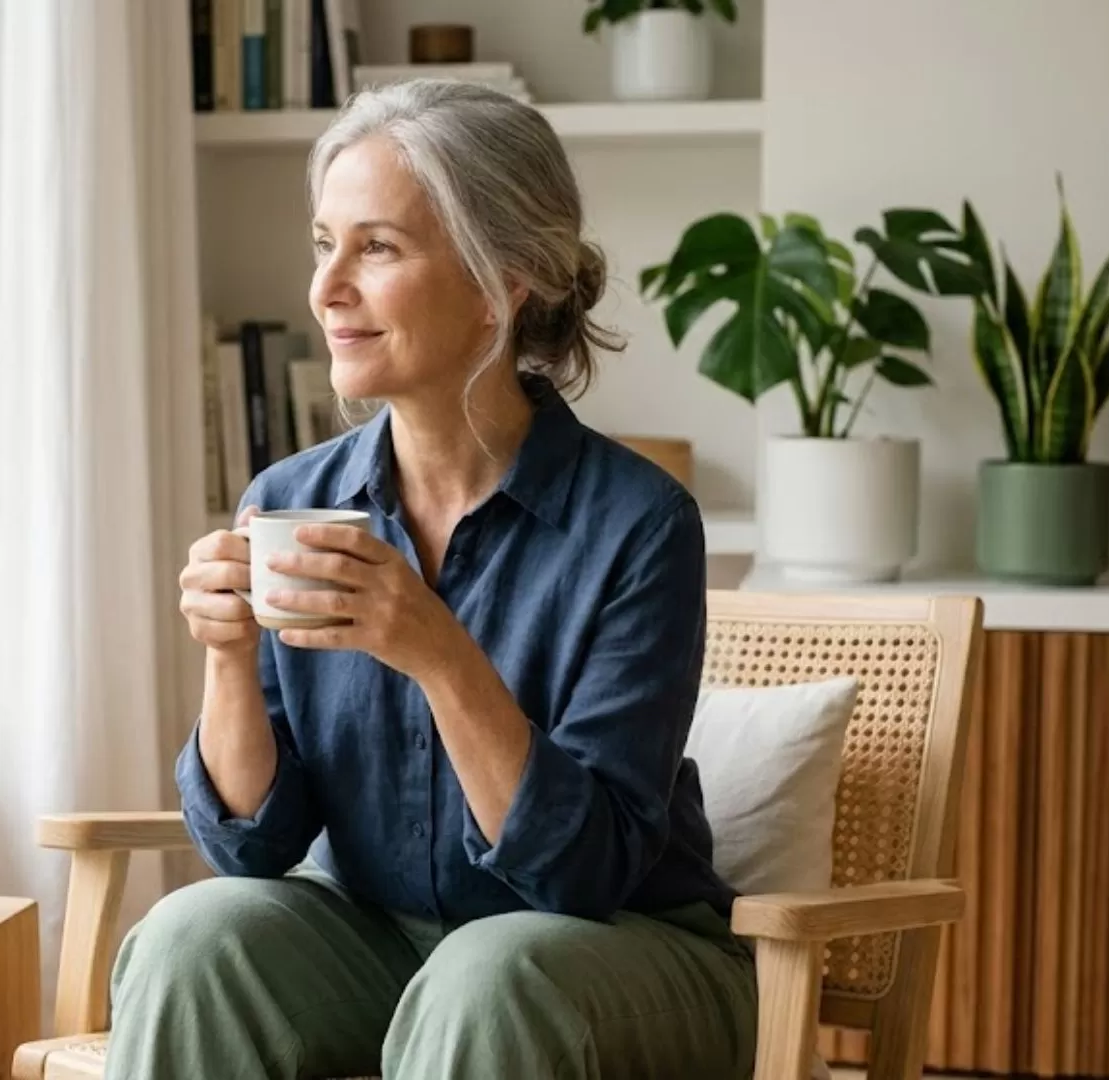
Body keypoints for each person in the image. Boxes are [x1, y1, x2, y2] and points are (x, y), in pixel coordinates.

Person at [106, 79, 756, 1079]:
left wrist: (440, 654)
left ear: (505, 283)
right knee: (195, 937)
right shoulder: (290, 500)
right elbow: (252, 850)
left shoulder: (639, 525)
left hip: (616, 949)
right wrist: (229, 659)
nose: (327, 288)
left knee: (488, 975)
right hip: (377, 937)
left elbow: (578, 873)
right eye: (325, 243)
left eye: (377, 247)